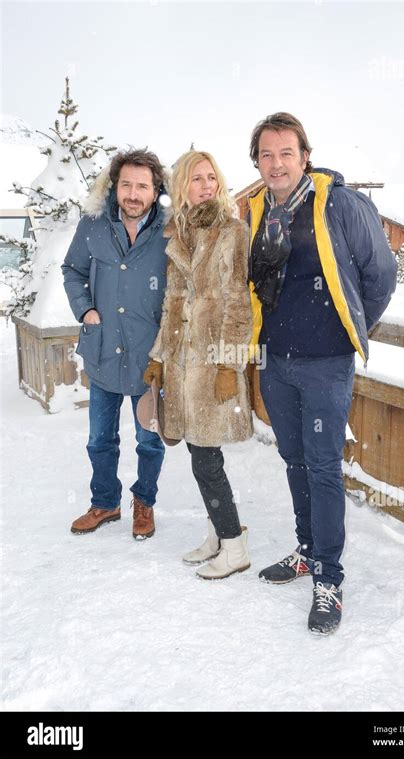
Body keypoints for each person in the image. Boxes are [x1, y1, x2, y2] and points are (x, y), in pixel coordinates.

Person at [248, 113, 397, 634]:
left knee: (324, 467)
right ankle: (307, 550)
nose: (276, 163)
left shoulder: (339, 202)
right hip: (276, 363)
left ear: (304, 156)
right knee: (293, 459)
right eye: (266, 154)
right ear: (258, 162)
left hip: (326, 365)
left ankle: (329, 577)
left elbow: (381, 274)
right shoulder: (257, 211)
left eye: (286, 152)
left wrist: (347, 330)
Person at [144, 150, 253, 579]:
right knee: (198, 454)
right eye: (196, 179)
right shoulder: (179, 235)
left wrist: (229, 364)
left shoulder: (232, 231)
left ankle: (234, 546)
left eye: (211, 177)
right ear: (182, 188)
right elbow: (173, 303)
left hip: (211, 366)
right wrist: (157, 357)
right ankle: (218, 535)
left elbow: (239, 303)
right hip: (183, 367)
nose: (206, 185)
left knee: (206, 459)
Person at [62, 149, 169, 540]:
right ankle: (105, 502)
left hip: (150, 357)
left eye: (142, 185)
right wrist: (85, 309)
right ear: (115, 186)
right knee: (100, 438)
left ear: (156, 189)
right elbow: (72, 270)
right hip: (103, 350)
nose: (133, 193)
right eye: (126, 184)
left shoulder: (171, 229)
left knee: (149, 440)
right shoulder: (92, 225)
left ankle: (145, 503)